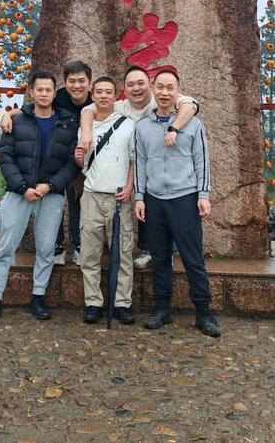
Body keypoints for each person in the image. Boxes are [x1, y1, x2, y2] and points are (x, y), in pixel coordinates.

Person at [0, 72, 80, 323]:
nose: (44, 94)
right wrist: (23, 187)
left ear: (55, 94)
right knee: (5, 249)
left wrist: (50, 185)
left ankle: (37, 299)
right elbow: (6, 157)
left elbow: (71, 163)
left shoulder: (67, 125)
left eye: (49, 90)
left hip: (51, 195)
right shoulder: (17, 121)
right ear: (31, 93)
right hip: (18, 194)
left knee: (46, 249)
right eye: (39, 89)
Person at [79, 66, 199, 270]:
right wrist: (86, 133)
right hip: (135, 164)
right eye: (130, 84)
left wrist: (174, 128)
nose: (136, 88)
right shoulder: (121, 106)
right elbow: (88, 109)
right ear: (124, 89)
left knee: (162, 206)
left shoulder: (160, 98)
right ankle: (148, 249)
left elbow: (191, 105)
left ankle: (167, 250)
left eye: (141, 83)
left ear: (150, 86)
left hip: (166, 161)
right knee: (144, 206)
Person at [133, 70, 220, 338]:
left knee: (192, 257)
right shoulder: (142, 127)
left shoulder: (193, 123)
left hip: (185, 198)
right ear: (152, 88)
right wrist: (139, 197)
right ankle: (162, 308)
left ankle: (203, 312)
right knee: (160, 258)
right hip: (154, 200)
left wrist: (203, 194)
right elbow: (140, 164)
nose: (164, 92)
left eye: (170, 87)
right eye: (160, 87)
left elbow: (201, 160)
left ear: (178, 91)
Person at [1, 61, 92, 267]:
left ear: (90, 83)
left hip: (86, 157)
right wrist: (8, 114)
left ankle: (79, 244)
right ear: (65, 83)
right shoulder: (57, 96)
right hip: (59, 155)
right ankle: (57, 245)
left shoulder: (96, 99)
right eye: (72, 81)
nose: (77, 86)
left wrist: (80, 173)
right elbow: (30, 109)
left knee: (79, 200)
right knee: (52, 197)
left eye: (82, 81)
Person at [74, 76, 136, 325]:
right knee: (90, 253)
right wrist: (79, 156)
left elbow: (134, 160)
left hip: (119, 196)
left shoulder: (128, 124)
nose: (103, 96)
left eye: (108, 92)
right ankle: (93, 302)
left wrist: (130, 186)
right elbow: (83, 164)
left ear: (115, 95)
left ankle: (122, 303)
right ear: (92, 95)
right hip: (91, 194)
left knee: (123, 252)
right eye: (99, 91)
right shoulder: (86, 126)